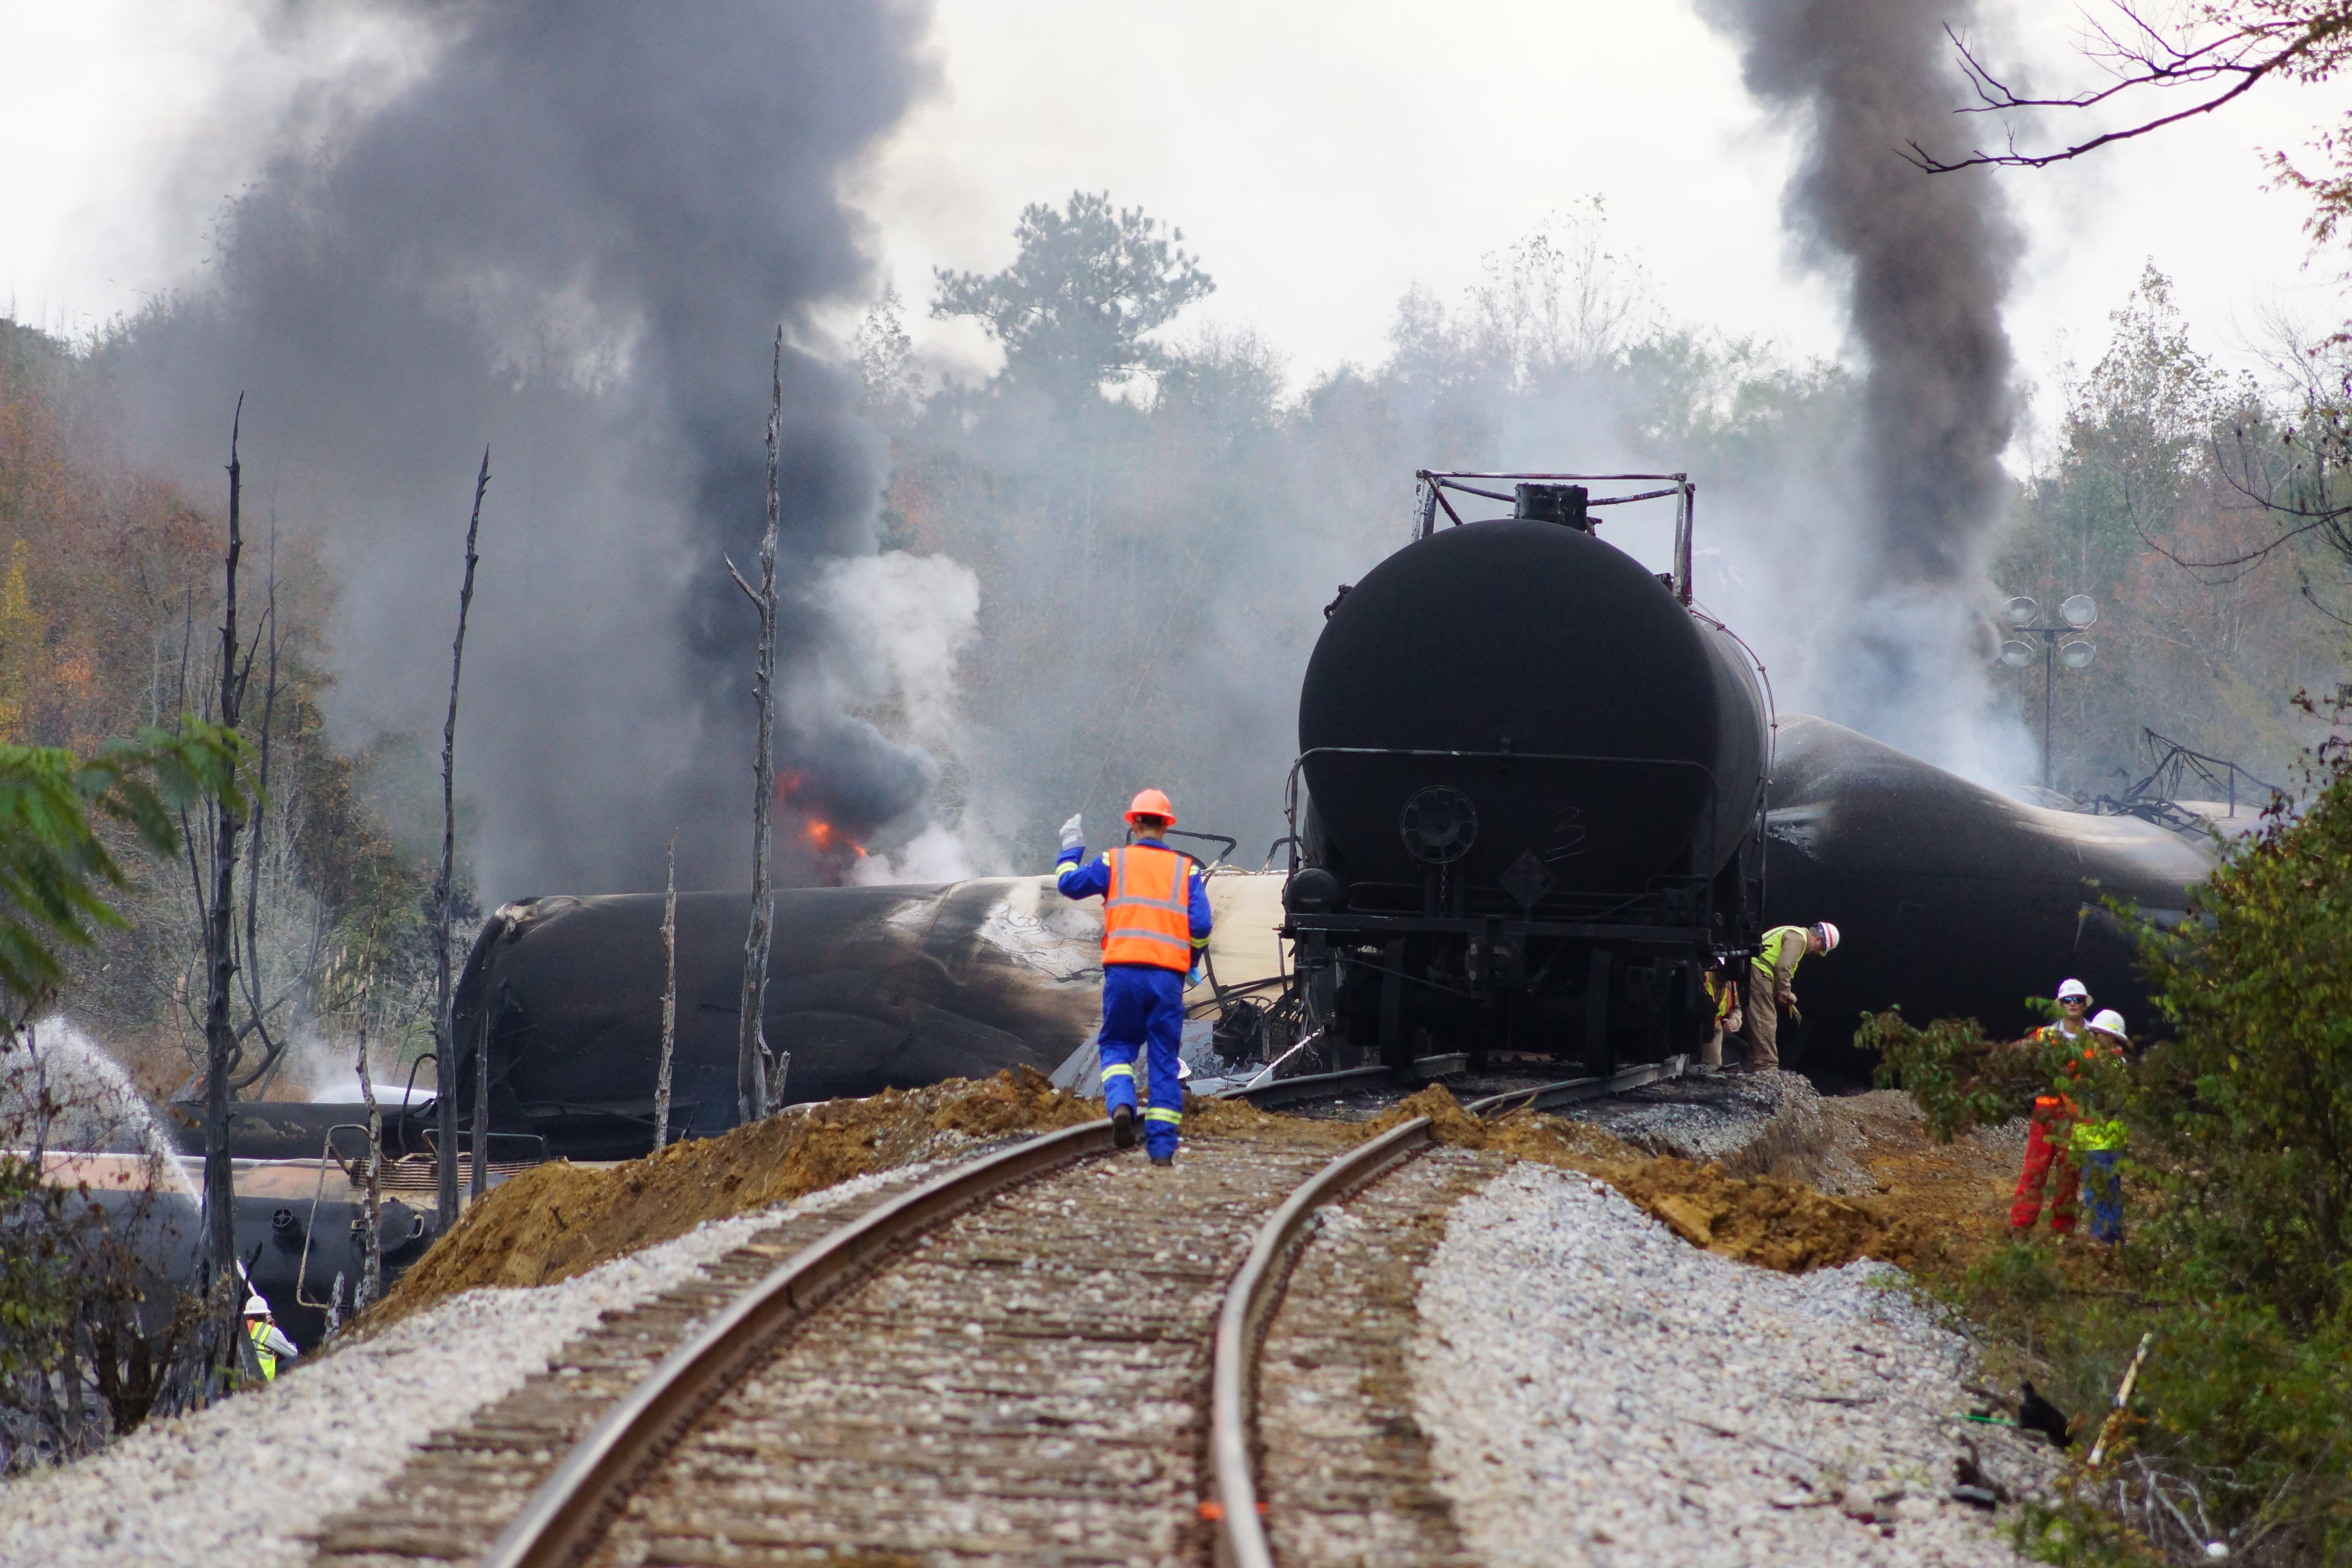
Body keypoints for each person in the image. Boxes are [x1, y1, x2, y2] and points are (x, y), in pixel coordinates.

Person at [1055, 789, 1212, 1167]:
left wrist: (1070, 847)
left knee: (1116, 1046)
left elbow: (1069, 884)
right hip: (1167, 978)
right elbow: (1203, 926)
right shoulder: (1186, 870)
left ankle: (1122, 1103)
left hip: (1123, 973)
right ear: (1166, 826)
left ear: (1135, 822)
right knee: (1164, 1058)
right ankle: (1160, 1152)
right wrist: (1189, 959)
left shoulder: (1114, 861)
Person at [2009, 978, 2095, 1237]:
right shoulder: (2044, 1037)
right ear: (2060, 1005)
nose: (2073, 1004)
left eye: (2078, 1000)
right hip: (2046, 1114)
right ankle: (2021, 1225)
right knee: (2035, 1169)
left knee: (2070, 1176)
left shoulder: (2097, 1038)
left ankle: (2063, 1230)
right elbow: (2014, 1057)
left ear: (2084, 1004)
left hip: (2078, 1117)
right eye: (2068, 1000)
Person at [1740, 922, 1838, 1072]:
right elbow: (1783, 967)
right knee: (1765, 1019)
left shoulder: (1792, 933)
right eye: (1821, 949)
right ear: (1819, 940)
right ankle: (1766, 1066)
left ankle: (1753, 1064)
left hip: (1753, 969)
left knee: (1754, 1019)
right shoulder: (1799, 939)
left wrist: (1780, 993)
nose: (1817, 953)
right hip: (1760, 972)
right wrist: (1786, 993)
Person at [2069, 1008, 2132, 1245]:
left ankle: (2106, 1241)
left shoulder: (2112, 1066)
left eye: (2100, 1034)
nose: (2095, 1038)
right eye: (2094, 1033)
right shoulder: (2110, 1064)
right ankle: (2110, 1240)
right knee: (2104, 1192)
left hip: (2103, 1142)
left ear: (2112, 1038)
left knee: (2099, 1193)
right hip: (2097, 1141)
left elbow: (2104, 1104)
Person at [243, 1292, 299, 1381]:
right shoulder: (270, 1332)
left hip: (244, 1376)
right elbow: (292, 1353)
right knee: (296, 1360)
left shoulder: (243, 1329)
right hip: (264, 1377)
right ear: (265, 1315)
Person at [1700, 961, 1743, 1068]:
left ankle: (1711, 1069)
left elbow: (1738, 1008)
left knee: (1712, 1065)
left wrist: (1733, 1023)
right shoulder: (1703, 977)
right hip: (1698, 1022)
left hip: (1714, 1027)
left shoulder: (1731, 984)